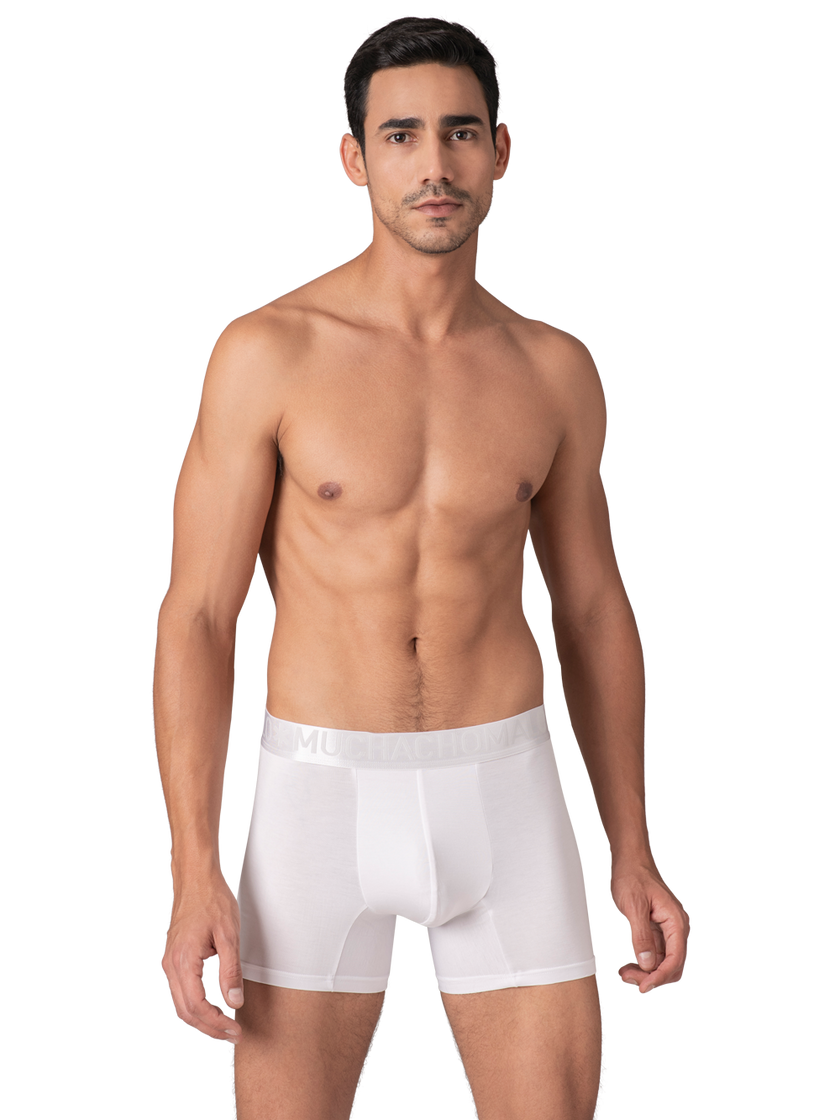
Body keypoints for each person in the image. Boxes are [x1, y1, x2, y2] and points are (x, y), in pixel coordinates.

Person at [153, 14, 690, 1120]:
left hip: (507, 787)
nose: (433, 165)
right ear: (355, 158)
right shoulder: (268, 352)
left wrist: (633, 847)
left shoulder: (554, 368)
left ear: (501, 150)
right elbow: (199, 615)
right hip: (318, 794)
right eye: (401, 136)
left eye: (459, 132)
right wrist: (192, 869)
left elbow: (593, 609)